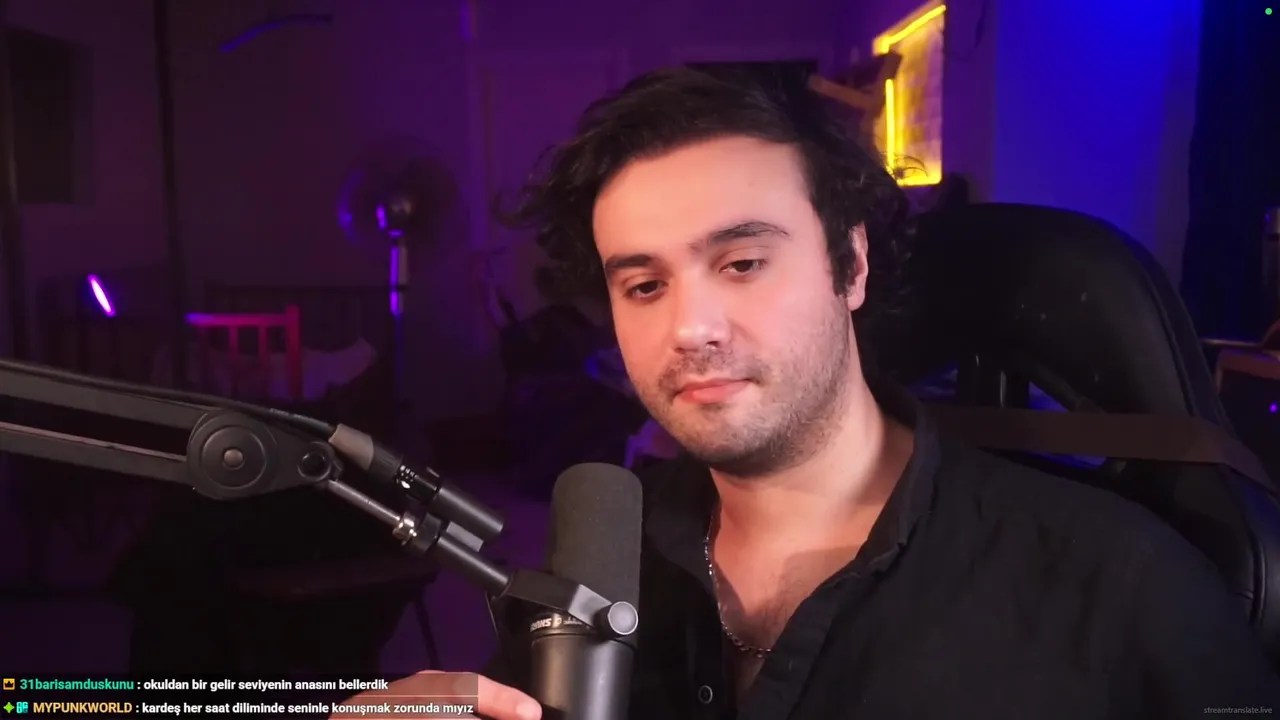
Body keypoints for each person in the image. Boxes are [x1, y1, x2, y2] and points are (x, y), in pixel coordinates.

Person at [341, 66, 1280, 719]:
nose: (691, 327)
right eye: (645, 284)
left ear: (850, 265)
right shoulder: (600, 554)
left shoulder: (1122, 585)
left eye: (742, 262)